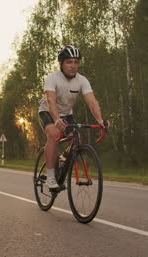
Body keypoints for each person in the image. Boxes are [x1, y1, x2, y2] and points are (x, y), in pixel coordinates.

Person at [38, 45, 109, 189]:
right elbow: (51, 101)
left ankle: (62, 162)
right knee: (54, 134)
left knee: (77, 139)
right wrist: (57, 119)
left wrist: (101, 121)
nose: (73, 66)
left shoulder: (82, 80)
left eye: (76, 62)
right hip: (47, 112)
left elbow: (92, 101)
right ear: (61, 63)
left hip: (67, 114)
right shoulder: (52, 78)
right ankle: (50, 177)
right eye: (69, 62)